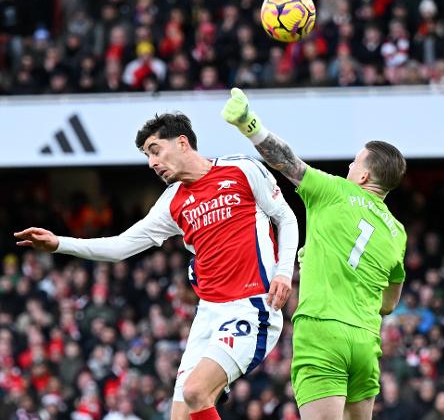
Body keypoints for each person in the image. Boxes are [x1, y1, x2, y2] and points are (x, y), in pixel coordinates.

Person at [14, 113, 298, 420]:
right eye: (148, 155)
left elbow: (286, 217)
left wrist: (283, 271)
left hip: (252, 306)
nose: (152, 162)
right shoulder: (171, 202)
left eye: (155, 150)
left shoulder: (241, 169)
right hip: (209, 314)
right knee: (179, 416)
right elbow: (121, 246)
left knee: (195, 392)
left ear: (181, 143)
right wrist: (60, 243)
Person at [221, 88, 407, 420]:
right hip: (365, 341)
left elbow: (286, 161)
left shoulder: (336, 191)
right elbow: (390, 304)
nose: (349, 167)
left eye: (354, 163)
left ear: (363, 176)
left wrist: (249, 124)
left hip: (322, 331)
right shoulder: (397, 232)